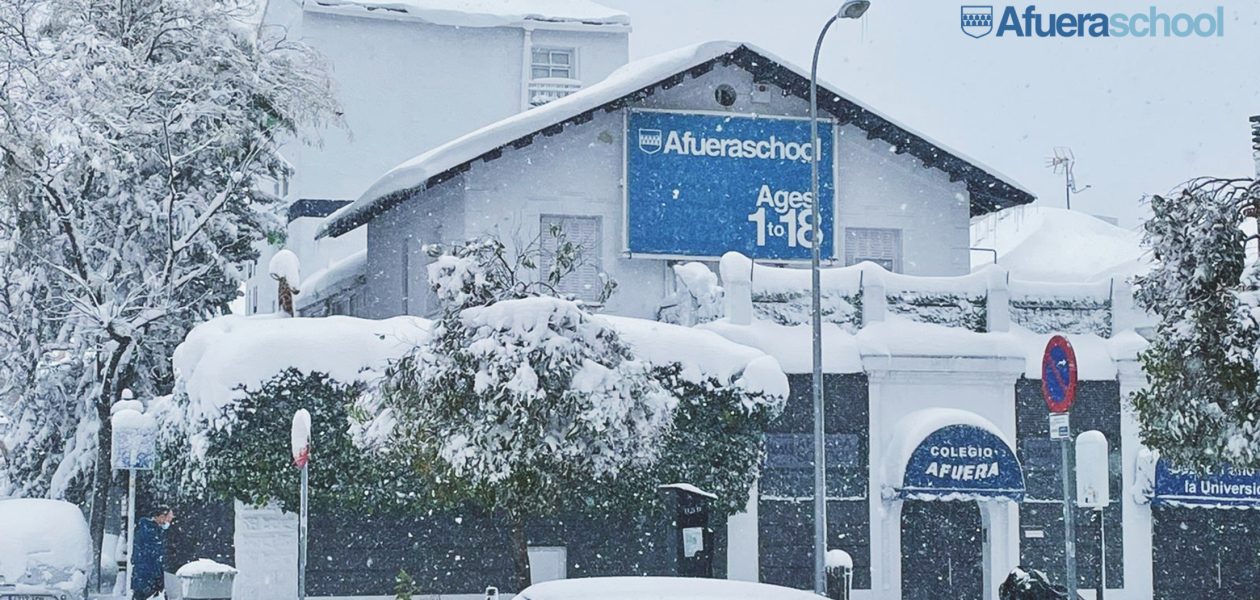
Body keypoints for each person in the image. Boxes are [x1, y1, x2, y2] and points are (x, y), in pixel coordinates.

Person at [131, 505, 174, 600]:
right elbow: (151, 555)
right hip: (146, 576)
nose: (169, 521)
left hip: (148, 576)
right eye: (169, 518)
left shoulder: (153, 530)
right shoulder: (150, 532)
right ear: (162, 516)